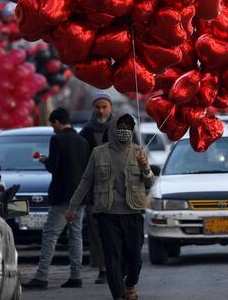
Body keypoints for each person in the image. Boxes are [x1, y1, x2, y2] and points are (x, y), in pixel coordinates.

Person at [67, 114, 153, 300]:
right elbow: (86, 181)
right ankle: (119, 294)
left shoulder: (138, 152)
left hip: (133, 213)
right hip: (107, 215)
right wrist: (72, 208)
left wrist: (145, 167)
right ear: (113, 129)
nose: (124, 131)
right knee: (112, 257)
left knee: (135, 259)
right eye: (121, 127)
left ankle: (130, 284)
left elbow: (150, 182)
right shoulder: (99, 153)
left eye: (128, 127)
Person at [23, 108, 91, 290]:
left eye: (52, 124)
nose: (52, 128)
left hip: (62, 198)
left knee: (50, 235)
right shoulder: (82, 141)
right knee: (75, 235)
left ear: (57, 122)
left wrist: (44, 160)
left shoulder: (57, 139)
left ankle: (41, 276)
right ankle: (76, 276)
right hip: (79, 197)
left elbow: (54, 167)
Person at [78, 92, 113, 283]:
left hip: (119, 191)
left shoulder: (121, 129)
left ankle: (118, 266)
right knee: (97, 232)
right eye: (98, 107)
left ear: (110, 108)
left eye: (104, 107)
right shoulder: (85, 133)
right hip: (95, 192)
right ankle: (103, 269)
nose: (101, 111)